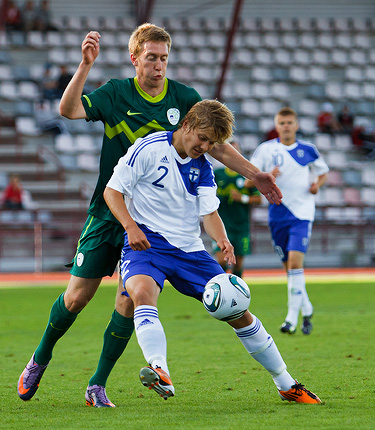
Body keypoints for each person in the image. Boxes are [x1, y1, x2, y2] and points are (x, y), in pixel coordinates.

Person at [17, 23, 282, 409]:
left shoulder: (184, 99)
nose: (158, 66)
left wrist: (253, 173)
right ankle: (40, 358)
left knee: (129, 300)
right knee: (76, 298)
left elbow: (216, 145)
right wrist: (85, 65)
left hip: (155, 225)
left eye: (164, 58)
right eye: (152, 58)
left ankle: (97, 384)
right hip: (112, 211)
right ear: (135, 58)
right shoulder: (115, 93)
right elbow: (69, 110)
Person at [103, 99, 320, 404]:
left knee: (237, 312)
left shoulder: (203, 168)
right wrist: (130, 226)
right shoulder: (148, 148)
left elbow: (209, 212)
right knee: (141, 294)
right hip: (146, 243)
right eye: (202, 138)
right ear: (186, 125)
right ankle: (160, 370)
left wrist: (222, 241)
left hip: (190, 250)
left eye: (212, 143)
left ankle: (286, 383)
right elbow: (112, 191)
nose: (205, 147)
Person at [250, 107, 329, 335]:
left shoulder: (308, 150)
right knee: (289, 269)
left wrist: (317, 185)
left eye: (289, 122)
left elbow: (322, 172)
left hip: (302, 214)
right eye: (282, 123)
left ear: (296, 125)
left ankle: (291, 319)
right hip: (277, 214)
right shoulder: (265, 150)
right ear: (276, 126)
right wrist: (266, 177)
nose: (286, 126)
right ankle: (307, 309)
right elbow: (249, 180)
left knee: (295, 264)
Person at [213, 139, 262, 277]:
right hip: (222, 226)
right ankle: (221, 290)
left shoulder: (247, 176)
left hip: (241, 226)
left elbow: (258, 199)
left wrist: (242, 198)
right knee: (221, 261)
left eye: (235, 150)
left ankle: (237, 293)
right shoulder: (217, 174)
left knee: (238, 264)